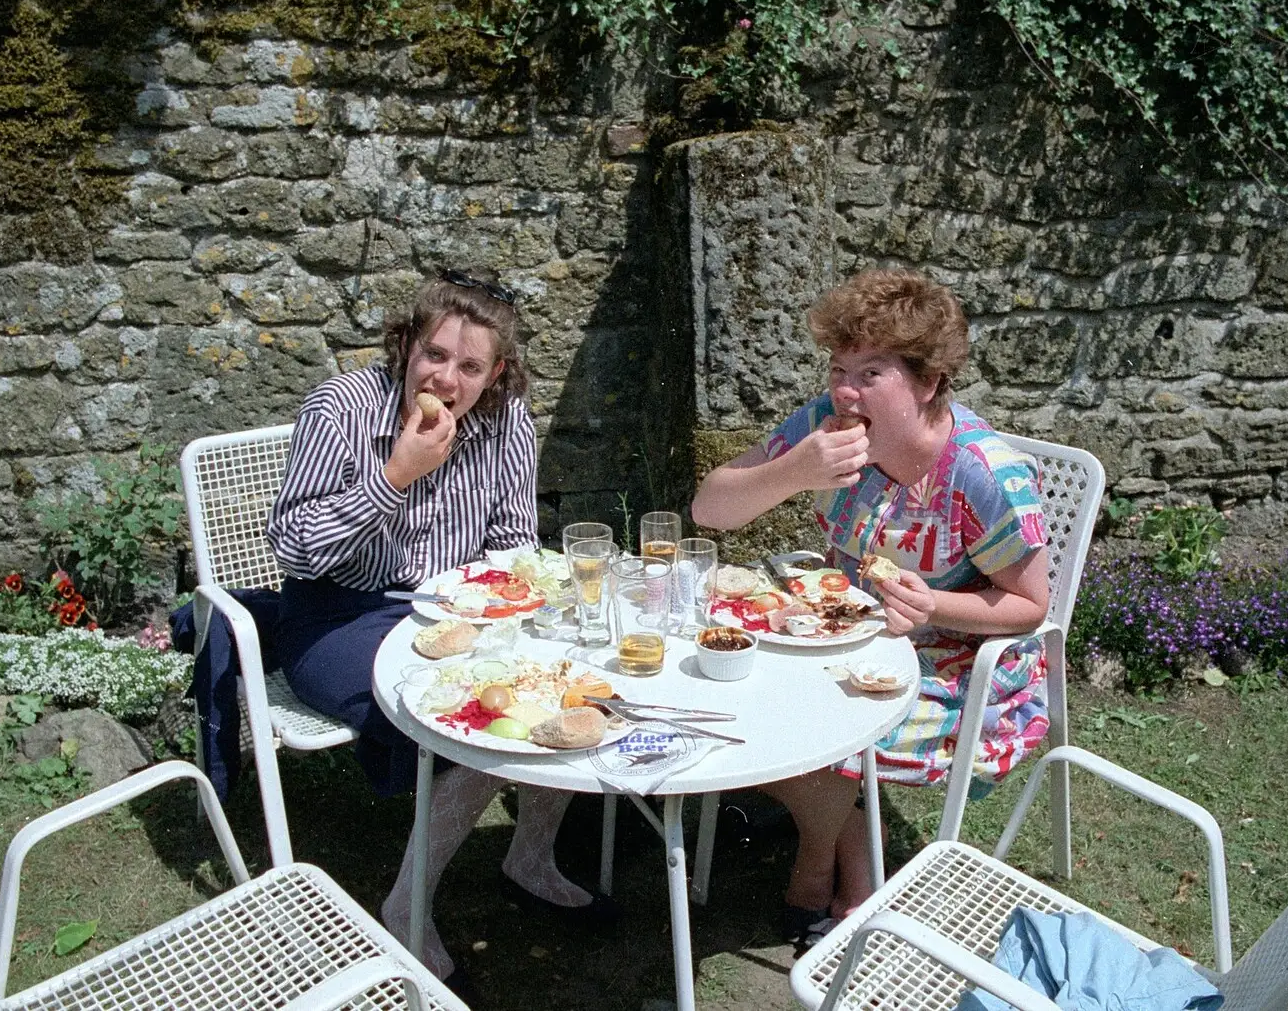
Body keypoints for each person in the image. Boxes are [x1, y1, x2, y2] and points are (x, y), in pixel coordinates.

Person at [268, 269, 615, 987]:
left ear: (496, 374)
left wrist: (511, 606)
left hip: (461, 611)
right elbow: (295, 547)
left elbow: (514, 538)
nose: (447, 377)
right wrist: (394, 476)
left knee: (562, 686)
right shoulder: (341, 410)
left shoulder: (505, 418)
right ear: (406, 347)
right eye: (434, 355)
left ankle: (531, 857)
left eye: (470, 365)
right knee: (473, 720)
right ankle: (406, 908)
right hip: (340, 612)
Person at [691, 268, 1051, 946]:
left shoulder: (981, 475)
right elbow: (711, 507)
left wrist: (937, 604)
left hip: (957, 672)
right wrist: (793, 471)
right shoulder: (824, 429)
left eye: (871, 373)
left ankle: (825, 864)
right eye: (838, 368)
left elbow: (1031, 607)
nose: (845, 391)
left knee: (794, 729)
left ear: (929, 382)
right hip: (842, 644)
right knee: (722, 696)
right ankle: (850, 841)